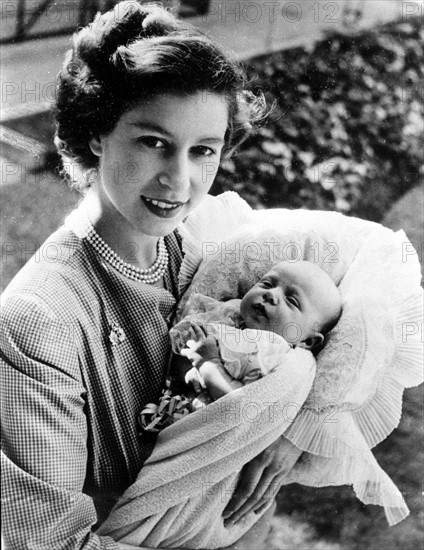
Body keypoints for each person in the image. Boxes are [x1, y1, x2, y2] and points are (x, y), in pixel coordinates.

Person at [0, 2, 304, 549]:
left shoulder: (194, 250)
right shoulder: (39, 320)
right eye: (153, 142)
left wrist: (291, 428)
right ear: (97, 134)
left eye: (203, 151)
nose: (180, 181)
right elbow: (45, 543)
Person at [171, 259, 342, 401]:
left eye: (291, 301)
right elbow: (179, 350)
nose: (271, 294)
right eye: (267, 284)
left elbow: (238, 405)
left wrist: (209, 363)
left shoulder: (276, 357)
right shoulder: (230, 313)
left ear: (307, 341)